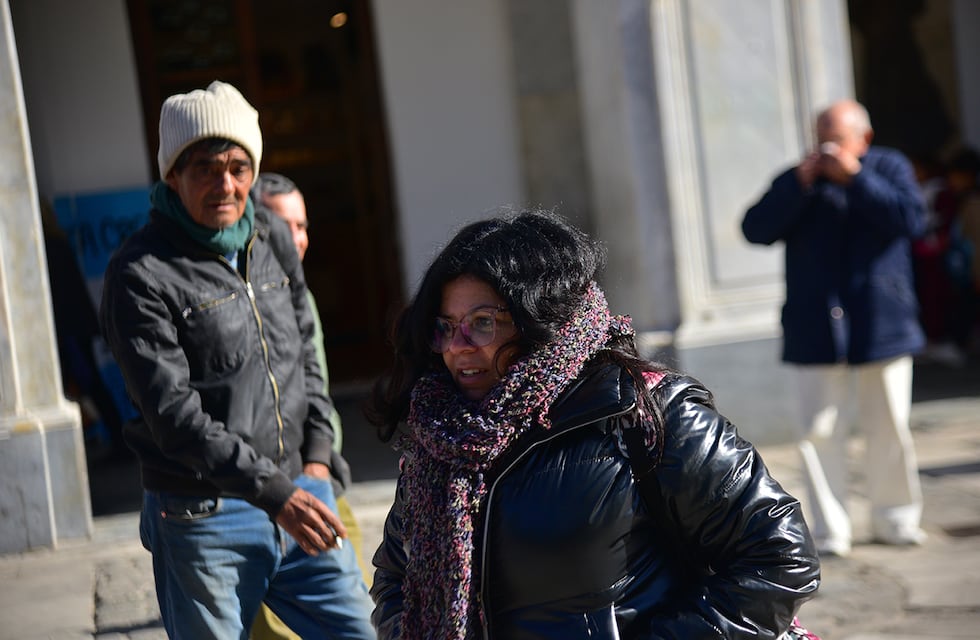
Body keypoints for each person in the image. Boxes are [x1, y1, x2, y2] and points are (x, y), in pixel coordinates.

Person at [366, 209, 820, 638]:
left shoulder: (644, 412)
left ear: (545, 320)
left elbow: (779, 556)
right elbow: (395, 576)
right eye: (444, 326)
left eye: (482, 322)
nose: (456, 347)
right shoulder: (442, 434)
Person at [100, 80, 375, 639]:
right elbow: (174, 417)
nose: (226, 185)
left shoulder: (270, 234)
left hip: (302, 494)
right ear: (172, 175)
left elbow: (306, 352)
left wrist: (318, 459)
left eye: (238, 166)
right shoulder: (141, 274)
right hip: (204, 515)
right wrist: (277, 495)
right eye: (204, 167)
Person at [741, 99, 928, 557]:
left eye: (837, 137)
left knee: (889, 426)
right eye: (821, 136)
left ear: (862, 138)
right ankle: (830, 529)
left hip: (882, 325)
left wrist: (857, 179)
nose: (826, 147)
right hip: (814, 328)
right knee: (817, 433)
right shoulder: (799, 179)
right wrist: (799, 186)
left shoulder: (887, 167)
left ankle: (896, 519)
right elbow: (754, 228)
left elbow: (911, 220)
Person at [249, 172, 371, 640]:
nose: (296, 239)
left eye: (301, 226)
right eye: (284, 226)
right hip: (275, 491)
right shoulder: (249, 302)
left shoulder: (300, 294)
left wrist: (321, 461)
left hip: (321, 475)